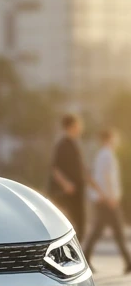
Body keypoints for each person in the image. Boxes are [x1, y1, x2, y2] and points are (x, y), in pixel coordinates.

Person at [84, 128, 131, 272]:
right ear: (110, 138)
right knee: (116, 231)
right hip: (107, 200)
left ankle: (86, 259)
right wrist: (111, 197)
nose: (117, 141)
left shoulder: (102, 154)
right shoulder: (107, 155)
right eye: (115, 138)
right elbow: (107, 177)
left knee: (99, 231)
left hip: (103, 199)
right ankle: (129, 263)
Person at [48, 114, 90, 238]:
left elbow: (81, 168)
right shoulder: (62, 145)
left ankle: (81, 255)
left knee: (81, 226)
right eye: (78, 125)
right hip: (67, 194)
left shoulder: (75, 144)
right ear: (71, 126)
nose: (81, 128)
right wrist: (66, 184)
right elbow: (55, 168)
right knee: (72, 227)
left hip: (77, 192)